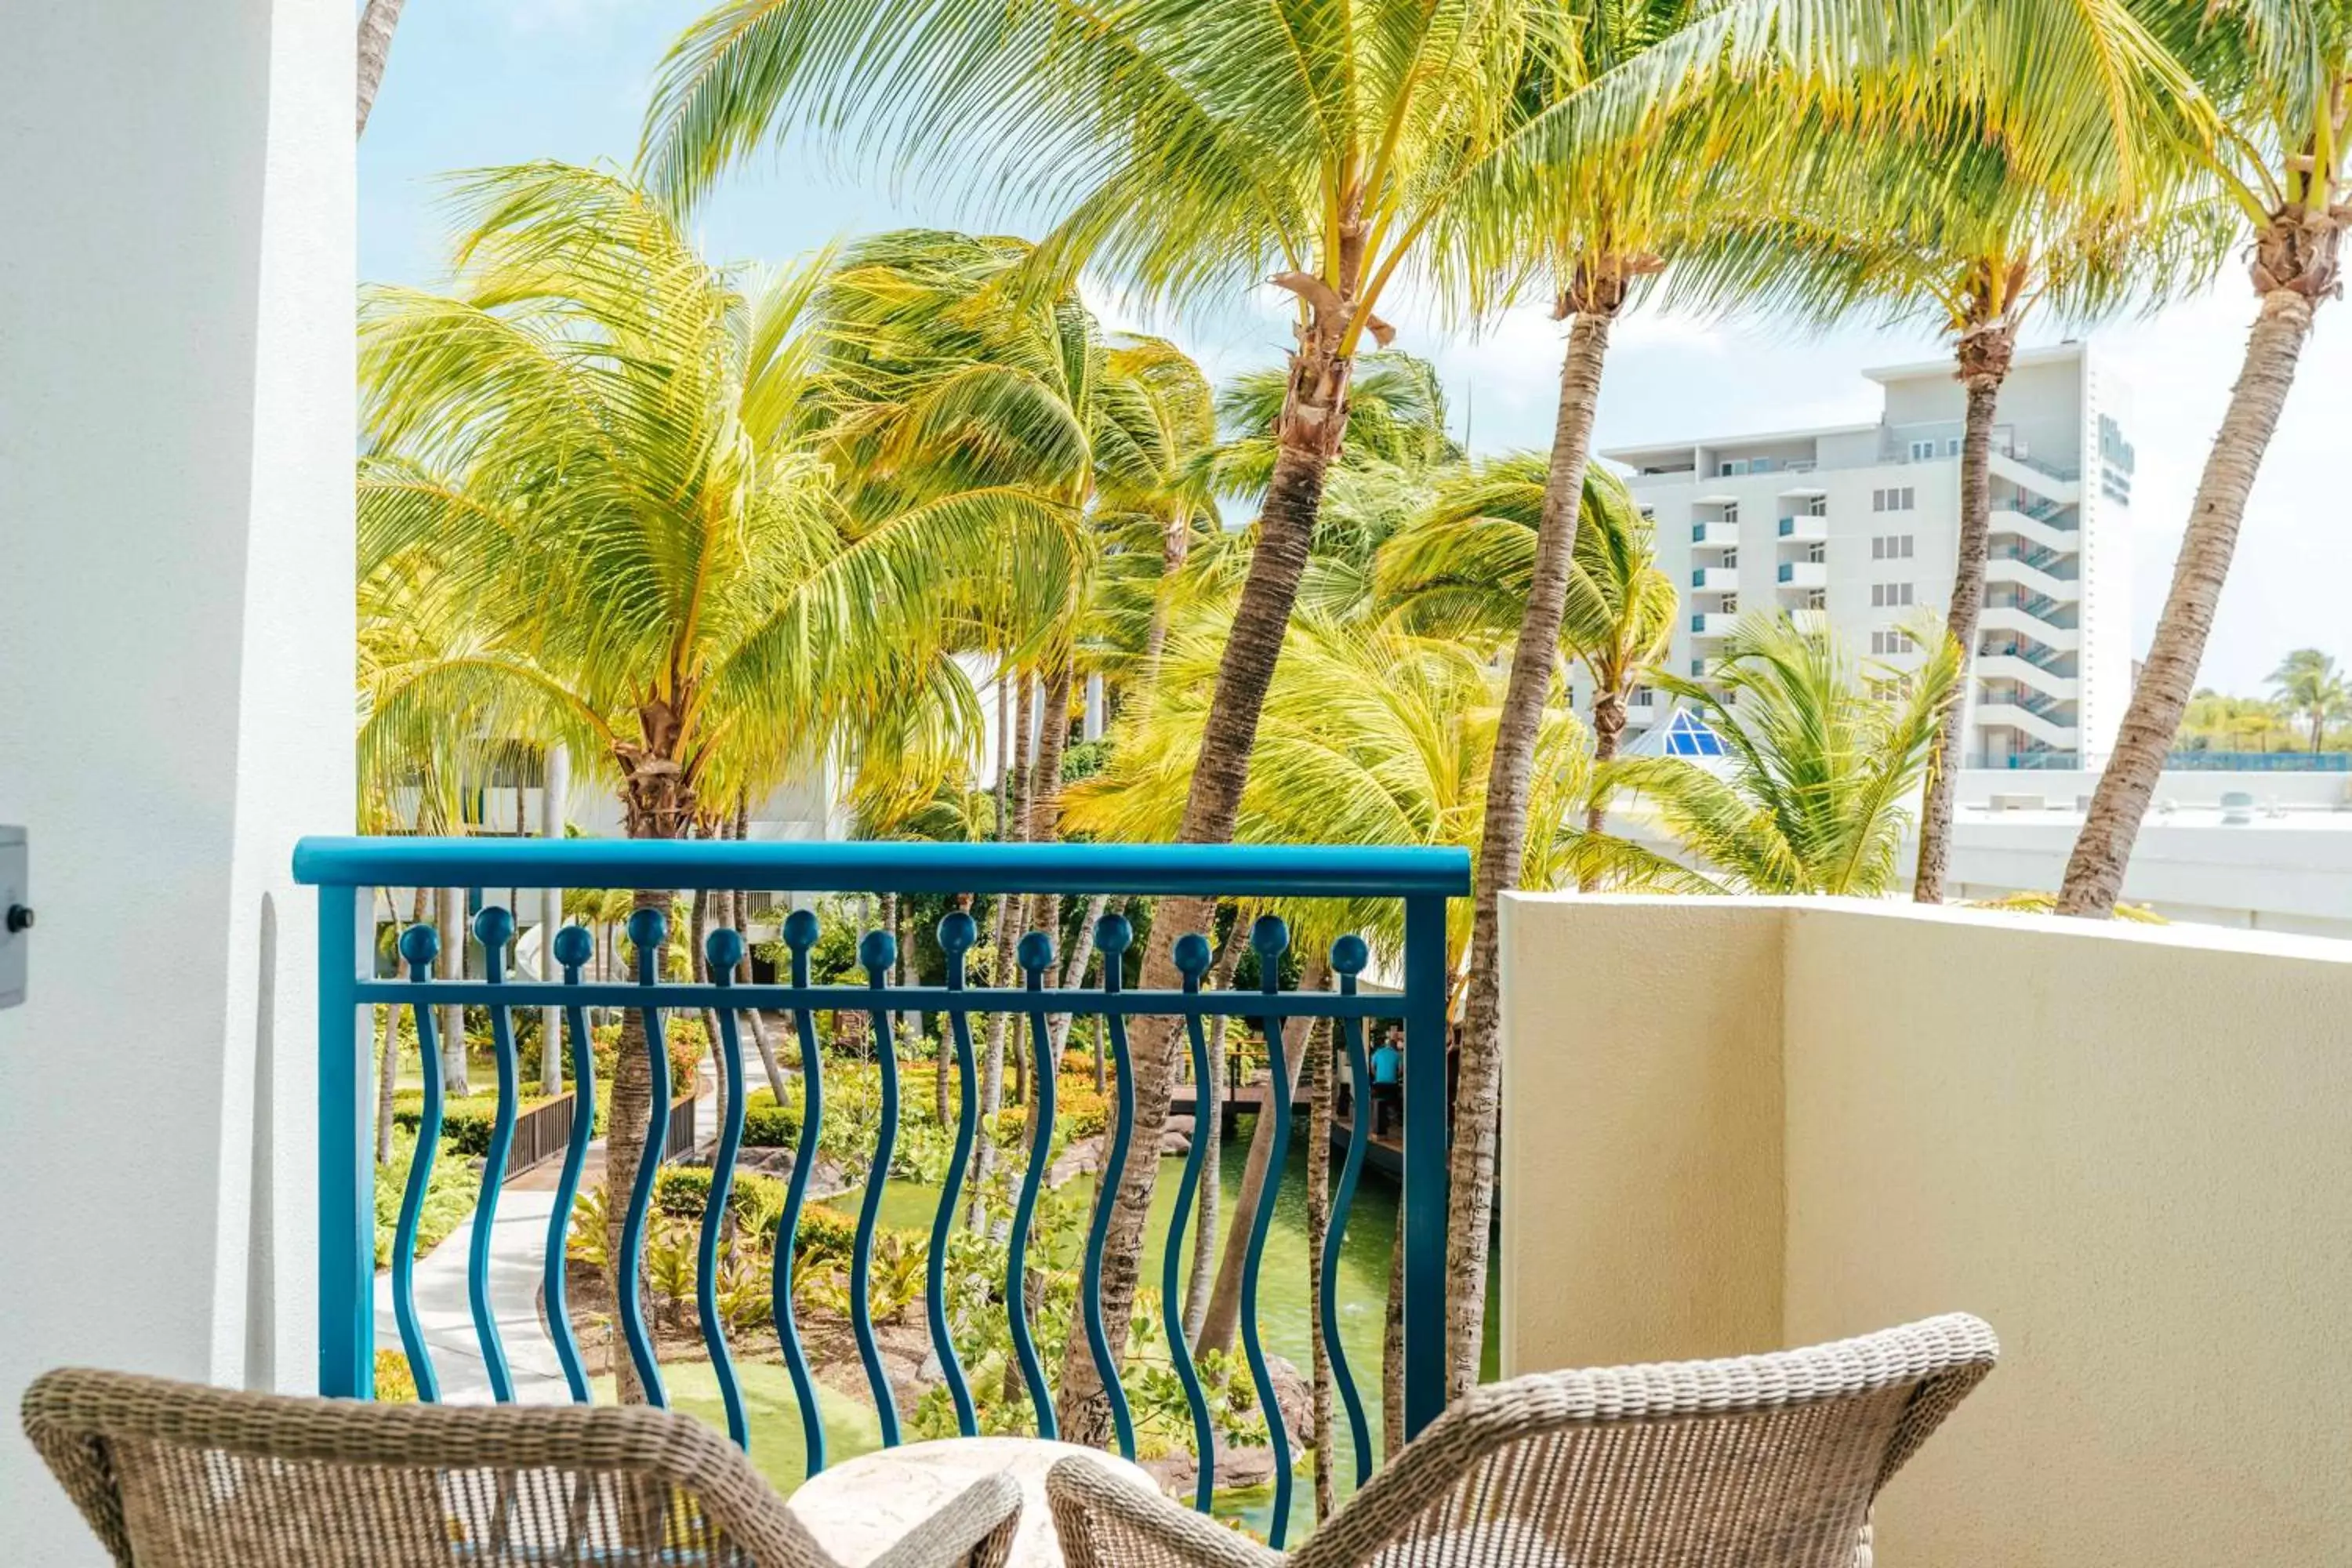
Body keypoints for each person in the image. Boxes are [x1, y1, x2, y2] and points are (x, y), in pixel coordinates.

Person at [1369, 1025, 1403, 1138]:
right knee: (1398, 1101)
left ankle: (1377, 1120)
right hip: (1392, 1085)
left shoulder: (1377, 1053)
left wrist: (1377, 1077)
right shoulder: (1397, 1055)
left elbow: (1372, 1068)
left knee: (1376, 1100)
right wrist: (1395, 1077)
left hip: (1379, 1085)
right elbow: (1400, 1070)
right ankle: (1400, 1120)